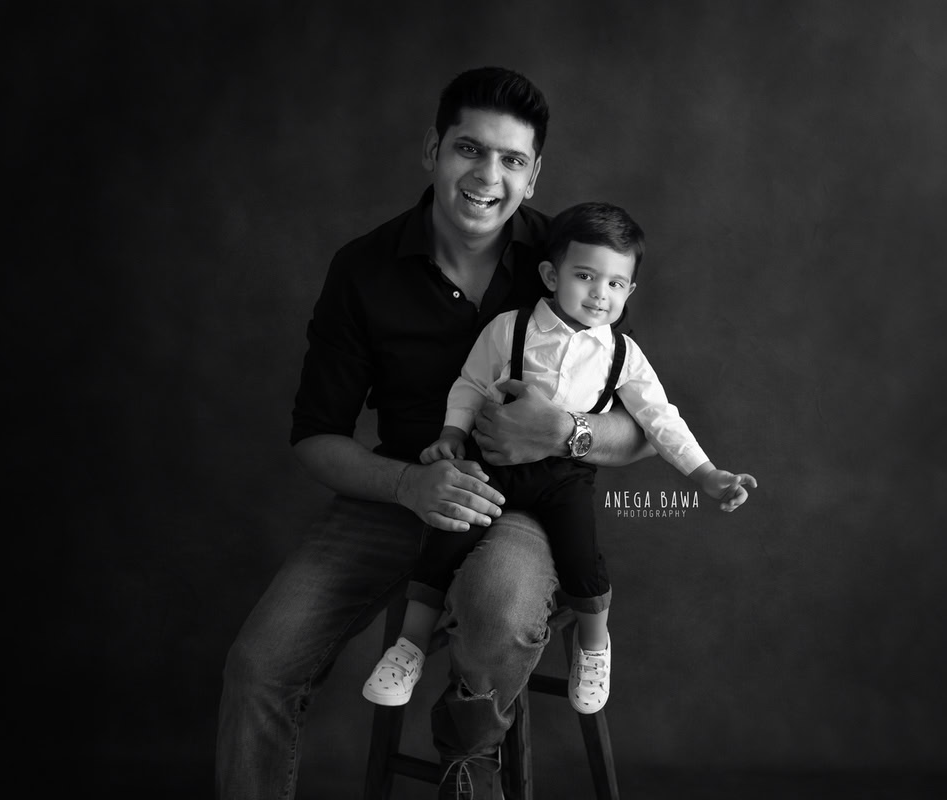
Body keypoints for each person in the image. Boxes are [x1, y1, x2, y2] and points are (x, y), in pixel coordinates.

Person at [216, 67, 651, 800]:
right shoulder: (362, 269)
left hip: (527, 502)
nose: (488, 176)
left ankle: (469, 761)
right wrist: (409, 485)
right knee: (259, 665)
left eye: (512, 160)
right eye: (468, 150)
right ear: (433, 151)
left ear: (534, 173)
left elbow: (638, 430)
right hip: (396, 492)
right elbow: (314, 436)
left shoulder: (571, 259)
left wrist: (568, 432)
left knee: (502, 608)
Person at [361, 202, 757, 716]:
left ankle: (596, 646)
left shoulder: (622, 354)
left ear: (630, 291)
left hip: (562, 477)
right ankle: (408, 647)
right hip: (494, 463)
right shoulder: (510, 328)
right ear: (551, 274)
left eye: (616, 284)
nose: (600, 293)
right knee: (447, 535)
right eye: (586, 276)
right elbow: (471, 383)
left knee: (580, 554)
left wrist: (706, 474)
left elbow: (659, 418)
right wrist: (452, 433)